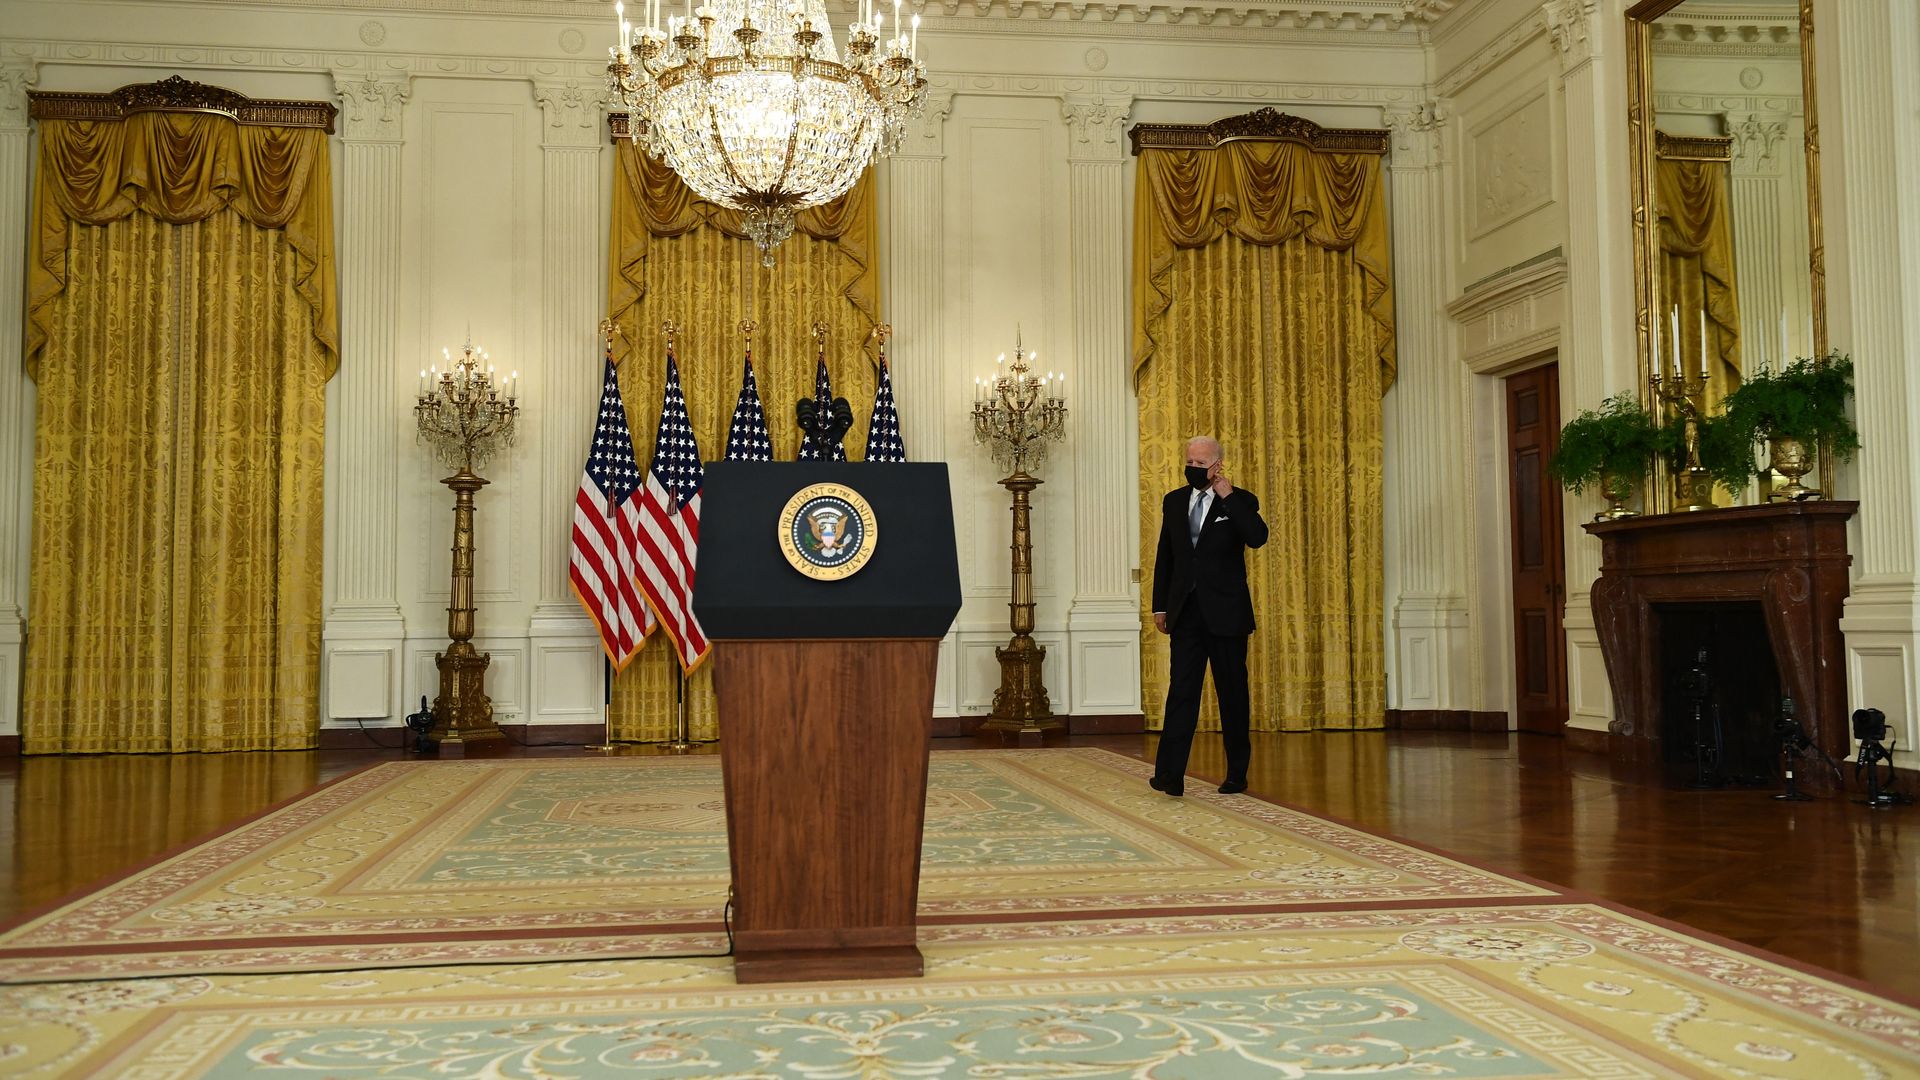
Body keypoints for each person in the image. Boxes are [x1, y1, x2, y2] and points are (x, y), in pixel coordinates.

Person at [1149, 436, 1269, 796]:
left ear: (1217, 465)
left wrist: (1228, 497)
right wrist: (1160, 606)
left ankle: (1236, 773)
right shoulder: (1173, 501)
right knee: (1182, 692)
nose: (1193, 469)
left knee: (1232, 693)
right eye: (1190, 462)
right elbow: (1165, 556)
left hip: (1227, 615)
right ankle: (1169, 775)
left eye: (1201, 464)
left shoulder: (1241, 501)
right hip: (1186, 614)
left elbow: (1257, 537)